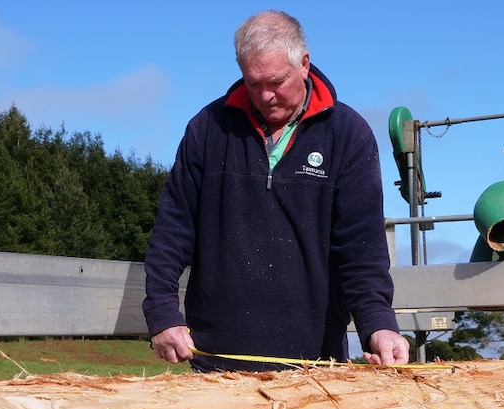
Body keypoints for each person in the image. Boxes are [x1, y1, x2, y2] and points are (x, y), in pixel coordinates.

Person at [142, 10, 409, 372]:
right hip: (214, 361)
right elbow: (173, 230)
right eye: (253, 84)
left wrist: (378, 323)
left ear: (304, 64)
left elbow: (360, 247)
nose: (266, 96)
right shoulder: (208, 128)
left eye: (277, 82)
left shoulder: (348, 134)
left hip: (314, 364)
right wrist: (161, 312)